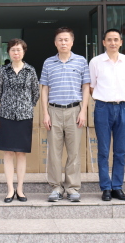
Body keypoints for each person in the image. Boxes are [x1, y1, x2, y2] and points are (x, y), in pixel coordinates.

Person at [40, 26, 90, 202]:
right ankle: (56, 187)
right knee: (54, 152)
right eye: (60, 40)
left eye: (66, 39)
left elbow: (86, 87)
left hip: (74, 111)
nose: (63, 43)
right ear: (55, 43)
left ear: (72, 42)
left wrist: (83, 111)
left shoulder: (81, 61)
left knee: (74, 152)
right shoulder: (48, 63)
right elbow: (44, 89)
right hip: (53, 111)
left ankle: (72, 188)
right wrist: (45, 113)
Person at [89, 29, 125, 201]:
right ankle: (106, 188)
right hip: (103, 108)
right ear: (103, 42)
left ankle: (117, 186)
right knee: (103, 150)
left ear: (121, 42)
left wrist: (119, 99)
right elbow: (92, 87)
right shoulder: (96, 62)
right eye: (109, 40)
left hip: (123, 108)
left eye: (116, 39)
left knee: (120, 150)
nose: (113, 43)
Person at [0, 38, 40, 203]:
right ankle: (10, 190)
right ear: (9, 52)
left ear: (24, 52)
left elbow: (36, 93)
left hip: (24, 117)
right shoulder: (3, 71)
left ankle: (20, 189)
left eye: (19, 50)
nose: (16, 53)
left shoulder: (30, 71)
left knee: (21, 153)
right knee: (8, 153)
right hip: (5, 116)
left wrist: (24, 105)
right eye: (13, 50)